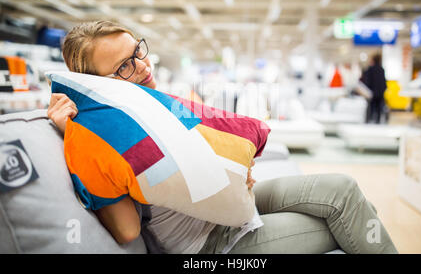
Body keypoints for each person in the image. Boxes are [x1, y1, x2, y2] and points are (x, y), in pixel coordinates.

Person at [48, 21, 398, 254]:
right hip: (208, 243)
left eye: (138, 50)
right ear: (100, 84)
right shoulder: (92, 140)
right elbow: (126, 230)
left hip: (232, 204)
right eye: (124, 66)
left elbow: (208, 139)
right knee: (353, 219)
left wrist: (236, 169)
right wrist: (74, 135)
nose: (143, 65)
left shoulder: (159, 103)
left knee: (344, 190)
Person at [361, 53, 387, 124]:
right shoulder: (382, 69)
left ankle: (370, 122)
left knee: (371, 109)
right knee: (378, 109)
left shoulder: (370, 69)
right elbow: (383, 82)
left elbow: (367, 81)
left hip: (372, 93)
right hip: (380, 93)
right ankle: (377, 122)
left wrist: (367, 91)